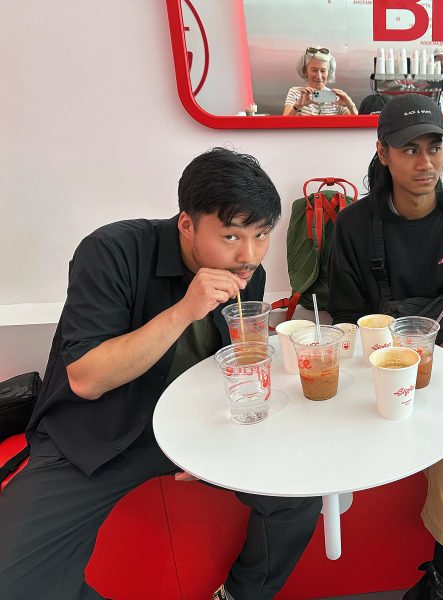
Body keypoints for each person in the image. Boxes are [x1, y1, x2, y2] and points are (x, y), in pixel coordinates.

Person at [0, 148, 322, 600]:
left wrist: (216, 439)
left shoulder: (248, 271)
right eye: (230, 236)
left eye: (262, 234)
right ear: (187, 224)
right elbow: (87, 379)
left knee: (300, 496)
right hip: (92, 435)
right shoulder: (112, 251)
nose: (249, 255)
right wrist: (185, 310)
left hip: (192, 429)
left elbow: (231, 365)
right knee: (12, 581)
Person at [328, 94, 443, 600]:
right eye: (409, 149)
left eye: (434, 147)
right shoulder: (351, 227)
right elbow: (345, 318)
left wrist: (431, 366)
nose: (425, 162)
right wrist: (396, 367)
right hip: (374, 358)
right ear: (383, 153)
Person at [283, 46, 357, 115]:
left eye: (323, 71)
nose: (319, 76)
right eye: (314, 70)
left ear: (329, 72)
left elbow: (356, 124)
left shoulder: (336, 97)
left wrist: (351, 106)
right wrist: (297, 106)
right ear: (305, 71)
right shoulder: (295, 93)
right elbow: (283, 124)